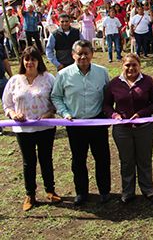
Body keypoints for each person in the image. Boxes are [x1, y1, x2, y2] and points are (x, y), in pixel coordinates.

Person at [51, 40, 111, 205]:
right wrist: (64, 113)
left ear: (92, 54)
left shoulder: (102, 72)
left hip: (97, 121)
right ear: (73, 55)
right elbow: (56, 96)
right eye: (79, 53)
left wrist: (108, 114)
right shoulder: (63, 75)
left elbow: (108, 95)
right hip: (75, 124)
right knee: (78, 160)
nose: (83, 57)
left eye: (86, 53)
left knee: (102, 158)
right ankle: (81, 192)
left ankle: (105, 191)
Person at [2, 47, 60, 211]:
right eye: (27, 59)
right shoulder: (14, 80)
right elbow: (7, 104)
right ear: (22, 61)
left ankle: (50, 190)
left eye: (33, 59)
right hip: (23, 130)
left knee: (46, 159)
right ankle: (30, 195)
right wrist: (13, 114)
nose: (30, 62)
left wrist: (50, 112)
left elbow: (57, 99)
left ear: (38, 61)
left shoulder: (48, 78)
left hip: (45, 128)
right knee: (29, 162)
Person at [103, 53, 153, 203]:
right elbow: (106, 105)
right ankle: (128, 191)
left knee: (144, 159)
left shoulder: (147, 81)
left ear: (139, 65)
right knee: (126, 160)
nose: (131, 68)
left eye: (134, 64)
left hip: (145, 128)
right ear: (122, 66)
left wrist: (141, 114)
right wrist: (114, 115)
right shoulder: (114, 83)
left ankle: (148, 189)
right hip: (122, 130)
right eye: (127, 65)